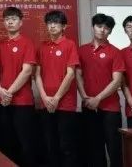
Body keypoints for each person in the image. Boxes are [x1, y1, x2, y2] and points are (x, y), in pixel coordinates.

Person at [76, 14, 124, 167]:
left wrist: (98, 98)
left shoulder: (115, 52)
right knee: (94, 148)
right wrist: (85, 97)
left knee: (114, 148)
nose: (102, 30)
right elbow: (77, 75)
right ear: (93, 27)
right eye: (99, 26)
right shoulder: (82, 50)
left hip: (110, 108)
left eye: (106, 28)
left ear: (110, 31)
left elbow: (117, 81)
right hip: (88, 106)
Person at [34, 10, 80, 167]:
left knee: (66, 145)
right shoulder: (42, 47)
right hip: (46, 103)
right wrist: (44, 97)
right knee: (49, 144)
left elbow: (70, 74)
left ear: (64, 26)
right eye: (49, 23)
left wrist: (57, 98)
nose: (52, 26)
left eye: (56, 23)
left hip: (65, 104)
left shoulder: (70, 45)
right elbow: (37, 75)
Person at [0, 7, 37, 166]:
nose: (10, 22)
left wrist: (9, 92)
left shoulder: (27, 43)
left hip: (22, 102)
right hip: (2, 101)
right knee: (5, 142)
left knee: (25, 143)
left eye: (13, 19)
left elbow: (27, 71)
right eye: (7, 19)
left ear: (20, 22)